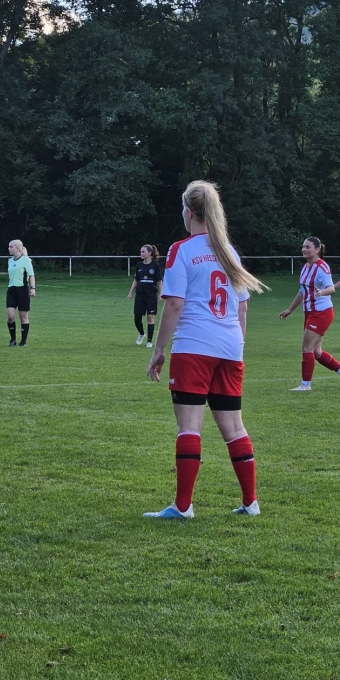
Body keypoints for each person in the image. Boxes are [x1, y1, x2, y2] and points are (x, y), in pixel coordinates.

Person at [144, 180, 268, 519]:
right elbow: (242, 308)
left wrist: (158, 348)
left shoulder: (181, 250)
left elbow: (174, 305)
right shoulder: (229, 252)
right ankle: (250, 502)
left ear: (188, 212)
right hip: (230, 347)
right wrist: (237, 346)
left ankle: (183, 507)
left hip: (194, 347)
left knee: (189, 427)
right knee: (234, 427)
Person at [279, 237, 340, 392]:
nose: (304, 249)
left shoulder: (322, 267)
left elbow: (331, 288)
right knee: (316, 351)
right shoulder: (305, 267)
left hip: (321, 312)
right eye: (303, 247)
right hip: (309, 312)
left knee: (307, 347)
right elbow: (302, 291)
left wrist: (322, 292)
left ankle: (305, 385)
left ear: (317, 249)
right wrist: (290, 309)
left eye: (308, 247)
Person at [127, 245, 162, 347]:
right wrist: (130, 292)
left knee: (150, 317)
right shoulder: (139, 265)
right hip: (140, 295)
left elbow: (159, 281)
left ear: (149, 253)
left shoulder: (155, 266)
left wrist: (161, 294)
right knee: (137, 318)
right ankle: (142, 333)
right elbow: (136, 280)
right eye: (141, 252)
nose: (141, 254)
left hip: (151, 295)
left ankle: (149, 341)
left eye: (143, 252)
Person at [7, 240, 36, 346]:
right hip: (11, 290)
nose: (9, 248)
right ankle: (13, 339)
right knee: (10, 316)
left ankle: (23, 342)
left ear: (18, 248)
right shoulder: (10, 261)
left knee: (23, 318)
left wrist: (32, 288)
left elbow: (31, 275)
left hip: (22, 290)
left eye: (11, 247)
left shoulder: (25, 260)